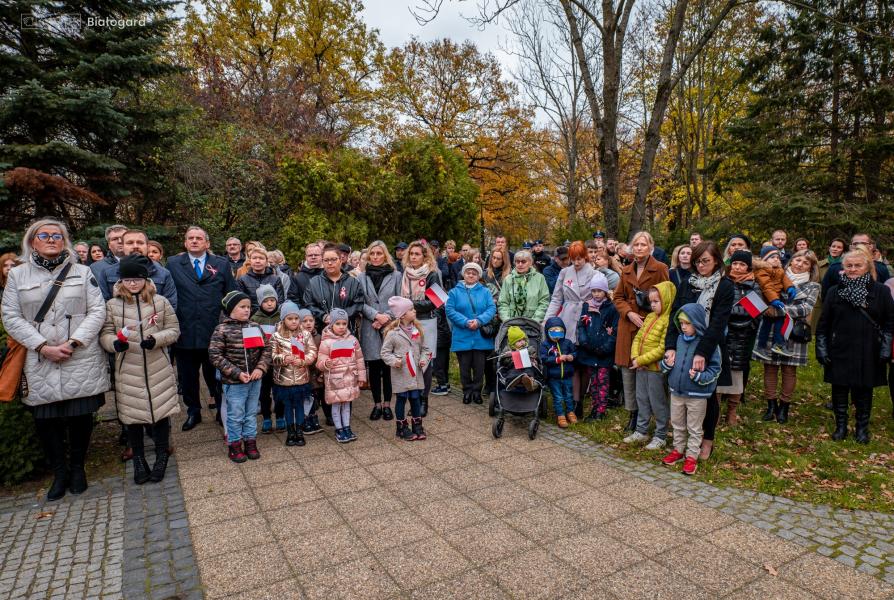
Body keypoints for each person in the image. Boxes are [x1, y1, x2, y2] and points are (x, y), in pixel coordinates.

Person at [2, 219, 110, 501]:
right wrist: (41, 346)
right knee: (46, 419)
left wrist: (74, 342)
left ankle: (77, 468)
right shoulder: (18, 276)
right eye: (44, 235)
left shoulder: (83, 272)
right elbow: (11, 317)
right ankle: (59, 472)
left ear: (65, 241)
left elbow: (97, 310)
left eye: (57, 235)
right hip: (40, 358)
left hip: (79, 354)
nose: (51, 239)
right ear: (32, 241)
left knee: (80, 415)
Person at [99, 254, 180, 484]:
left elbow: (174, 329)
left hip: (157, 365)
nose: (132, 283)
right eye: (127, 279)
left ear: (145, 279)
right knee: (132, 416)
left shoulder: (160, 302)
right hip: (128, 366)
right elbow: (105, 333)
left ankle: (162, 454)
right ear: (121, 281)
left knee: (161, 413)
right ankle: (139, 458)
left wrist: (157, 339)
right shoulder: (112, 305)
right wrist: (114, 343)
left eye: (137, 279)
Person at [663, 241, 734, 460]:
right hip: (683, 343)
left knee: (709, 394)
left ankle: (707, 440)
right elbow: (675, 316)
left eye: (705, 261)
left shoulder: (725, 285)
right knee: (682, 393)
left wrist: (702, 352)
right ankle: (681, 441)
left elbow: (718, 322)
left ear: (716, 261)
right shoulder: (687, 283)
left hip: (710, 345)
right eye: (697, 261)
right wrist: (670, 346)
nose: (701, 265)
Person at [816, 250, 894, 443]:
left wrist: (885, 348)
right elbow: (824, 324)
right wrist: (822, 347)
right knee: (840, 388)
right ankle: (841, 426)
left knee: (864, 389)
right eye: (849, 266)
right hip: (840, 346)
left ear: (868, 266)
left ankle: (862, 428)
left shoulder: (881, 291)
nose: (852, 269)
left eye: (857, 265)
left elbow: (890, 322)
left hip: (869, 348)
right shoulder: (835, 291)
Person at [168, 226, 236, 431]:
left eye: (199, 238)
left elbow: (231, 294)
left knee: (214, 374)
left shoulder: (221, 264)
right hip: (185, 331)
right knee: (188, 377)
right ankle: (193, 411)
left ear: (207, 243)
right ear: (185, 242)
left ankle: (220, 410)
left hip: (213, 332)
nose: (195, 241)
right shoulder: (173, 264)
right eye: (191, 238)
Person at [752, 250, 821, 424]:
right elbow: (761, 294)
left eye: (805, 263)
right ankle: (771, 405)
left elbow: (806, 308)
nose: (799, 264)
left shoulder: (812, 286)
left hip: (793, 331)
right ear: (791, 261)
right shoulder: (775, 275)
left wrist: (779, 310)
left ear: (811, 268)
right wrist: (765, 308)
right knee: (770, 368)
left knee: (789, 370)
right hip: (770, 330)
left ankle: (784, 407)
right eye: (797, 260)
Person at [614, 232, 670, 433]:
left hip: (651, 325)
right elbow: (618, 297)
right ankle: (633, 413)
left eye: (643, 244)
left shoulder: (660, 268)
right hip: (628, 325)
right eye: (635, 244)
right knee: (628, 372)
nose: (639, 248)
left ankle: (653, 417)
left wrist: (654, 317)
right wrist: (629, 313)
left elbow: (667, 296)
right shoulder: (626, 270)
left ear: (651, 247)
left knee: (647, 370)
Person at [659, 303, 722, 476]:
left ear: (697, 323)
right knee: (678, 424)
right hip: (677, 392)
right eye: (681, 323)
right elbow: (665, 365)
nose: (683, 327)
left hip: (697, 395)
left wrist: (700, 377)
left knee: (694, 427)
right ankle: (678, 450)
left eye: (687, 323)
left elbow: (715, 369)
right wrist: (665, 364)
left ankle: (692, 456)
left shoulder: (707, 345)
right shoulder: (678, 340)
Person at [209, 291, 272, 462]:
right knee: (236, 414)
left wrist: (260, 368)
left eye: (248, 307)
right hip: (234, 382)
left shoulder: (254, 326)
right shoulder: (222, 329)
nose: (247, 310)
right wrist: (236, 373)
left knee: (251, 412)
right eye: (242, 307)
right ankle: (234, 444)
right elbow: (215, 356)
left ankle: (250, 442)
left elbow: (266, 349)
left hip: (254, 379)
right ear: (231, 309)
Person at [624, 282, 676, 450]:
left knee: (657, 401)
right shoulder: (650, 317)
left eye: (657, 301)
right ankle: (641, 430)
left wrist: (642, 360)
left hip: (655, 370)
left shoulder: (668, 321)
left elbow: (662, 348)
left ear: (667, 300)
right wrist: (635, 357)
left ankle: (661, 434)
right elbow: (638, 338)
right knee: (642, 398)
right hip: (640, 367)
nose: (653, 305)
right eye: (651, 301)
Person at [545, 241, 596, 411]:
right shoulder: (564, 272)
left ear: (585, 257)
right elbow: (556, 298)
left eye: (580, 258)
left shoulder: (593, 273)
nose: (577, 262)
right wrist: (548, 319)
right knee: (571, 360)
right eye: (573, 259)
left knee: (585, 361)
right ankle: (574, 401)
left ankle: (581, 398)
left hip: (587, 318)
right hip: (567, 316)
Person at [357, 241, 401, 420]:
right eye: (372, 254)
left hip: (390, 326)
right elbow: (360, 301)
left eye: (379, 253)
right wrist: (376, 316)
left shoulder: (396, 275)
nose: (375, 257)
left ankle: (387, 404)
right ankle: (376, 404)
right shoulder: (361, 277)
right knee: (374, 367)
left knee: (388, 366)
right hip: (370, 326)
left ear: (385, 255)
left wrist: (386, 317)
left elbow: (400, 300)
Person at [717, 250, 762, 426]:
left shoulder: (754, 286)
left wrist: (733, 315)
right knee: (720, 370)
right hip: (724, 334)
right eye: (735, 263)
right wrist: (729, 315)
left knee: (737, 373)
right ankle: (717, 411)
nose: (737, 267)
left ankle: (732, 412)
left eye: (742, 264)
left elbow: (755, 312)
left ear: (748, 267)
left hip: (743, 335)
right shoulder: (724, 282)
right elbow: (719, 307)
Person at [399, 241, 443, 415]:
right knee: (410, 360)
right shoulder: (405, 274)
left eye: (417, 254)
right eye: (412, 254)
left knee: (424, 362)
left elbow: (436, 302)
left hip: (425, 322)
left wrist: (409, 305)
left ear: (425, 256)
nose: (414, 257)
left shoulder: (432, 274)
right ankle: (413, 400)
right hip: (407, 322)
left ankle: (424, 401)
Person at [380, 296, 431, 441]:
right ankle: (401, 428)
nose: (414, 311)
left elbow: (426, 349)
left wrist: (423, 360)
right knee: (401, 399)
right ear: (402, 314)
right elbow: (384, 353)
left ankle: (417, 425)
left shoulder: (418, 330)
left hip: (415, 373)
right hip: (401, 373)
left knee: (415, 399)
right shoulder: (392, 334)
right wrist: (394, 361)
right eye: (411, 309)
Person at [446, 262, 496, 405]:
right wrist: (466, 322)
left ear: (478, 275)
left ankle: (477, 392)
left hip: (480, 336)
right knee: (465, 367)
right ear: (464, 273)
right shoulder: (454, 292)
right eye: (468, 272)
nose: (471, 274)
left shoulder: (485, 291)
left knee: (479, 368)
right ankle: (467, 391)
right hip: (462, 334)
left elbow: (491, 309)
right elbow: (450, 310)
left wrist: (479, 321)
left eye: (474, 273)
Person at [270, 301, 318, 447]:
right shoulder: (277, 336)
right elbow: (271, 355)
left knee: (299, 405)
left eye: (296, 318)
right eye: (290, 318)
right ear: (283, 319)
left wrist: (303, 361)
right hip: (284, 379)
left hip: (301, 377)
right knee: (287, 406)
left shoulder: (305, 334)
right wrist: (283, 358)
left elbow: (312, 351)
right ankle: (290, 431)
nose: (294, 321)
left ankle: (299, 431)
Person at [316, 308, 366, 443]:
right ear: (331, 324)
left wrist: (361, 377)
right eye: (338, 324)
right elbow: (320, 362)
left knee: (347, 405)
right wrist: (325, 363)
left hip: (350, 378)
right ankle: (339, 429)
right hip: (335, 380)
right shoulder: (326, 342)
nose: (341, 327)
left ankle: (347, 427)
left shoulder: (352, 339)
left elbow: (359, 359)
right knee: (336, 405)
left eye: (344, 324)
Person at [95, 229, 177, 310]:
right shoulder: (107, 273)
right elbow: (102, 305)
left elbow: (170, 307)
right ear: (122, 247)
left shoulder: (163, 274)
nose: (135, 246)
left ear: (147, 246)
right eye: (130, 243)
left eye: (140, 243)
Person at [575, 272, 618, 421]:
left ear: (605, 291)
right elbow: (581, 325)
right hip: (589, 352)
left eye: (599, 291)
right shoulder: (587, 305)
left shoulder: (611, 308)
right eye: (594, 291)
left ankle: (601, 410)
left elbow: (614, 332)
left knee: (603, 381)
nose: (596, 294)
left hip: (603, 354)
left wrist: (605, 348)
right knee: (593, 382)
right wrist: (584, 341)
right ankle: (594, 408)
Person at [303, 244, 364, 334]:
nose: (330, 263)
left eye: (333, 259)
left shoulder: (353, 282)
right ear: (322, 262)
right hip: (321, 332)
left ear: (340, 260)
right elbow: (308, 304)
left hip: (347, 332)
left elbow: (358, 304)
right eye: (326, 260)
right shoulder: (314, 283)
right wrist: (323, 316)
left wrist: (340, 317)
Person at [752, 246, 796, 358]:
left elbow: (785, 280)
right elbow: (766, 286)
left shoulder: (779, 270)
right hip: (767, 301)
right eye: (772, 257)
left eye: (777, 257)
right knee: (768, 324)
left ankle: (776, 344)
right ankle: (763, 347)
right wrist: (774, 299)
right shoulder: (761, 271)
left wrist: (790, 287)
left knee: (777, 321)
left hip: (776, 300)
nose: (776, 259)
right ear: (765, 260)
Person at [251, 284, 283, 434]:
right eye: (265, 301)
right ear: (260, 303)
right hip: (263, 363)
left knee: (279, 391)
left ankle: (281, 415)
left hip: (279, 362)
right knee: (264, 393)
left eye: (272, 300)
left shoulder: (281, 317)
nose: (270, 303)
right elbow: (251, 344)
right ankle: (266, 418)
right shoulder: (254, 319)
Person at [821, 233, 890, 297]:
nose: (859, 246)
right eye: (855, 243)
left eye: (863, 243)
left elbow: (885, 297)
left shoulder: (881, 268)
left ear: (870, 246)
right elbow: (825, 296)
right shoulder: (835, 268)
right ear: (851, 247)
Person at [540, 317, 577, 427]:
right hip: (553, 377)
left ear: (563, 331)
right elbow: (543, 358)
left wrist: (571, 356)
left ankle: (570, 412)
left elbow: (575, 353)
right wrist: (557, 359)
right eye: (553, 331)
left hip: (567, 375)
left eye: (559, 331)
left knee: (569, 395)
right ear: (547, 331)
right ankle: (560, 415)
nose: (556, 334)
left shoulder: (567, 343)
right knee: (558, 397)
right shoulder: (545, 345)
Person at [498, 250, 551, 322]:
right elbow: (503, 303)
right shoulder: (508, 279)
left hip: (533, 323)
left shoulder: (540, 278)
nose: (520, 264)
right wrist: (508, 321)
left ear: (530, 263)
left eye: (523, 261)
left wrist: (534, 321)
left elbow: (544, 301)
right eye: (517, 261)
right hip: (512, 323)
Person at [299, 309, 325, 435]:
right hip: (303, 373)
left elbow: (323, 355)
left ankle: (313, 417)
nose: (308, 323)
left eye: (311, 320)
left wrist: (321, 373)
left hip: (316, 373)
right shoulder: (297, 337)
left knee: (315, 397)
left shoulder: (319, 337)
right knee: (305, 397)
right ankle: (305, 419)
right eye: (304, 321)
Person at [237, 248, 285, 313]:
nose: (257, 261)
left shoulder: (275, 279)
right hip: (251, 318)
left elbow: (280, 302)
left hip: (271, 318)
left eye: (261, 258)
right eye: (254, 258)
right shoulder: (242, 280)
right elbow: (241, 303)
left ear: (266, 261)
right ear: (250, 261)